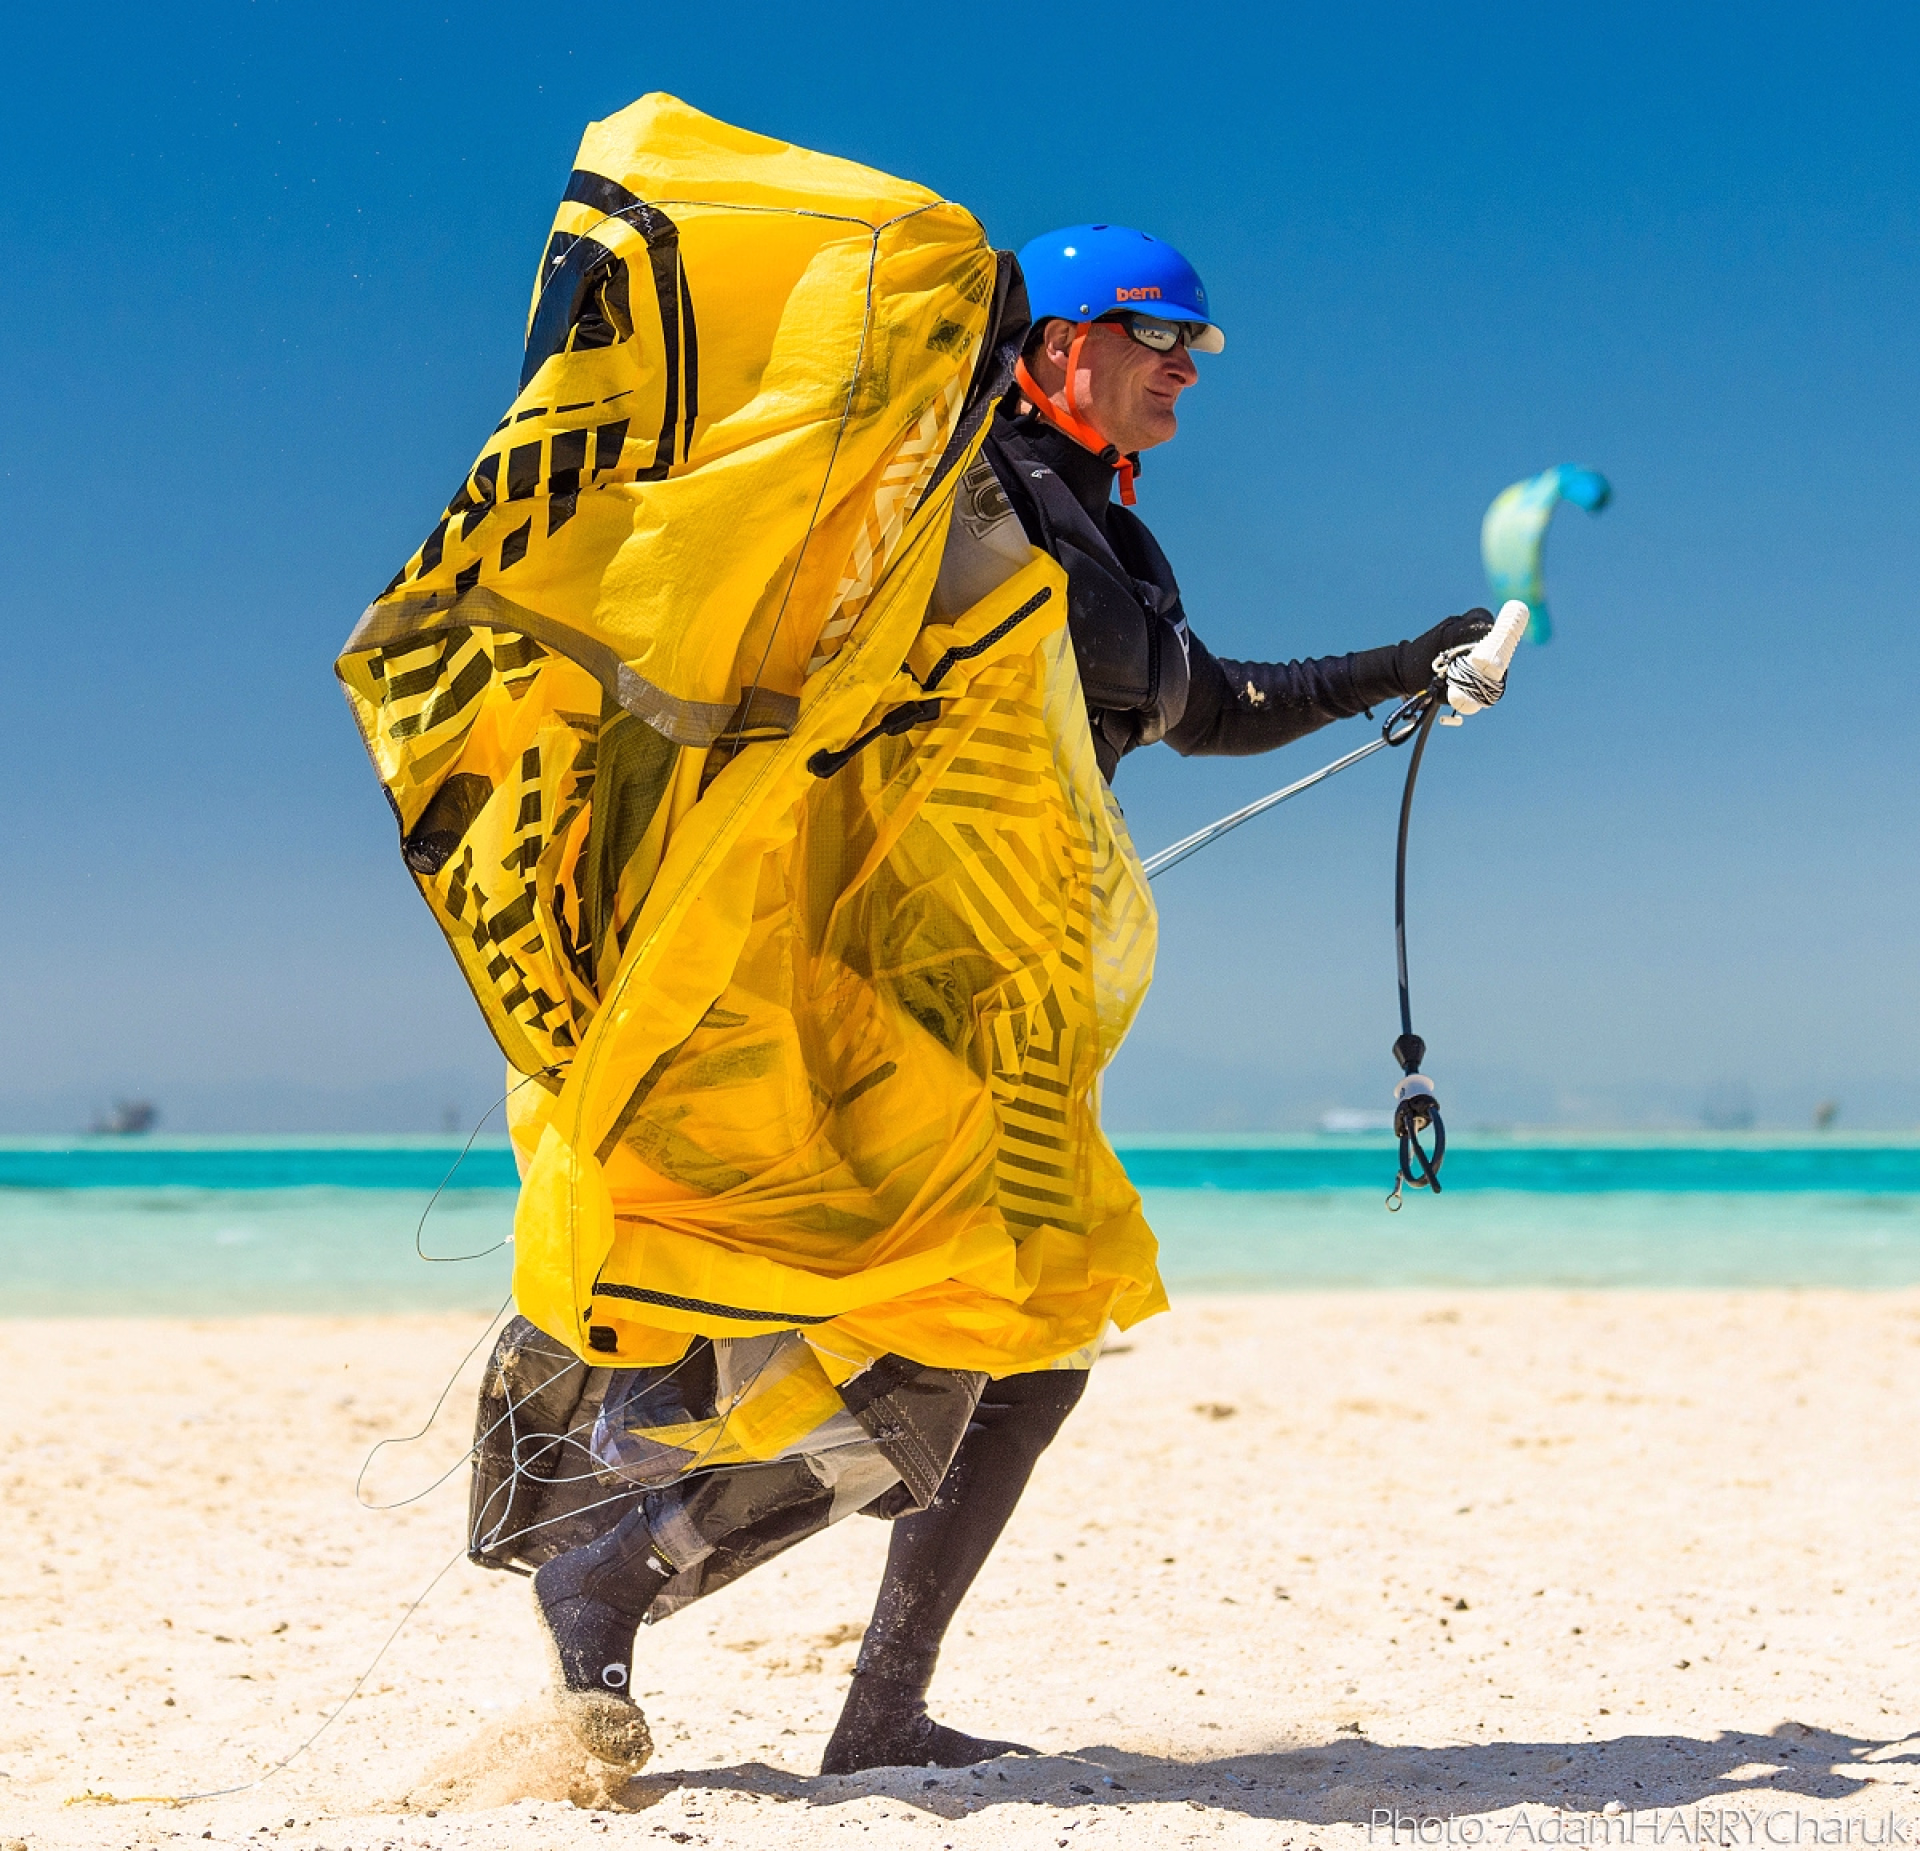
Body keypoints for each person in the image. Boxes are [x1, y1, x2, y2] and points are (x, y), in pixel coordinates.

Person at [815, 223, 1492, 1774]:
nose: (1188, 367)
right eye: (1160, 337)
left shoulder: (1113, 544)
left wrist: (1408, 661)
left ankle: (864, 1707)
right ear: (1058, 344)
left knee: (1031, 1332)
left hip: (1024, 988)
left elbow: (1217, 705)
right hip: (905, 973)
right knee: (916, 1322)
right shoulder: (957, 497)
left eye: (1200, 347)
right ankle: (626, 1604)